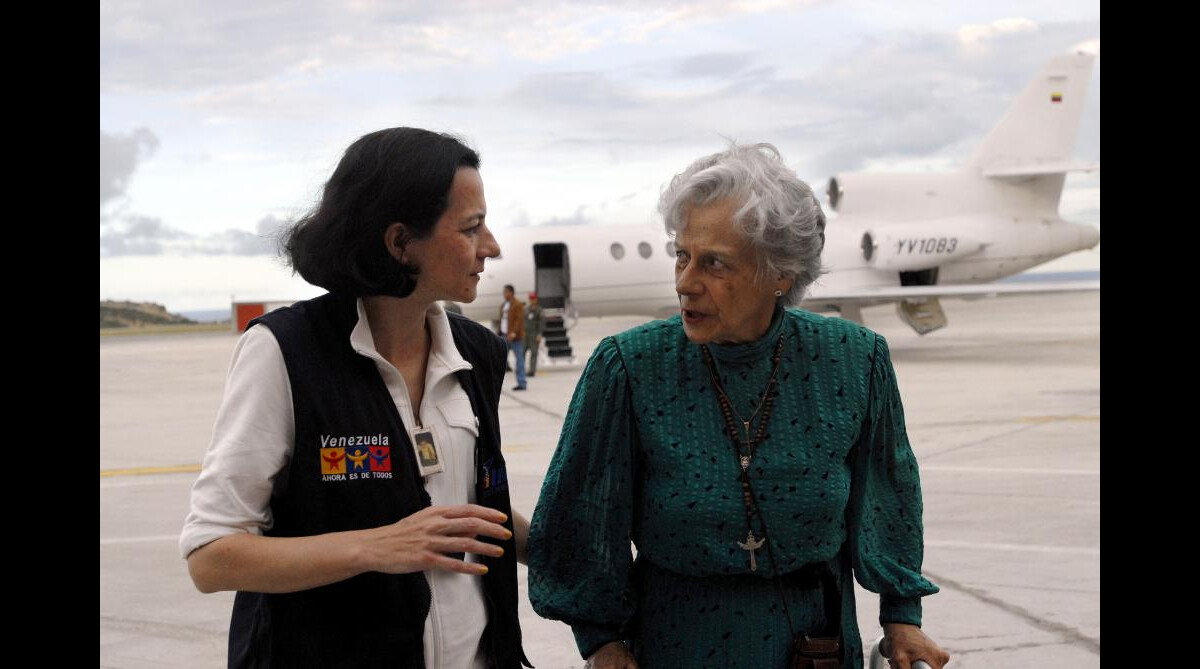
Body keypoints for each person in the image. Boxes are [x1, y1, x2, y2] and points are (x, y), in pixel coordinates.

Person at [527, 143, 949, 669]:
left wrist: (901, 615)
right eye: (681, 255)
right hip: (677, 645)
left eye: (714, 263)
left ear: (781, 274)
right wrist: (602, 643)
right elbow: (582, 517)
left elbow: (890, 496)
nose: (685, 282)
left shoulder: (854, 359)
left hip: (817, 646)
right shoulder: (629, 367)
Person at [180, 127, 532, 669]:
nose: (492, 247)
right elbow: (212, 557)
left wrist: (568, 546)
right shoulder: (285, 351)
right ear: (399, 243)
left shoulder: (479, 354)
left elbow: (466, 502)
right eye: (471, 227)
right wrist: (375, 547)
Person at [499, 284, 527, 390]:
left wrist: (514, 333)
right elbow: (502, 320)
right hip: (504, 335)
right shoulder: (504, 305)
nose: (504, 294)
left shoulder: (518, 304)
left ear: (511, 292)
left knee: (519, 359)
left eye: (506, 292)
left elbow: (519, 320)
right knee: (500, 358)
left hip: (515, 337)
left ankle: (522, 383)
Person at [524, 291, 546, 376]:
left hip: (534, 334)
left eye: (534, 299)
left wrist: (540, 334)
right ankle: (522, 369)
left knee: (534, 353)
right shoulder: (526, 309)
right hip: (525, 334)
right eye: (531, 298)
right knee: (522, 352)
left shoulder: (539, 310)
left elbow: (542, 323)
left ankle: (532, 370)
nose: (532, 300)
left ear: (536, 299)